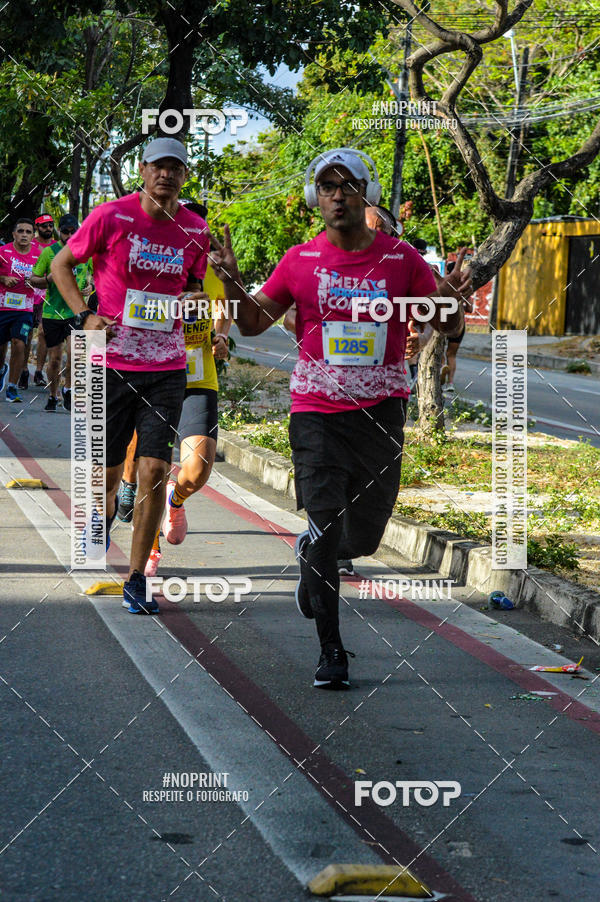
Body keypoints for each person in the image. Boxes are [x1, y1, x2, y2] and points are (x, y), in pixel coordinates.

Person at [210, 147, 471, 690]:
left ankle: (314, 554)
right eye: (326, 187)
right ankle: (331, 651)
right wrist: (232, 283)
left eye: (346, 186)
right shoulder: (300, 260)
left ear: (364, 195)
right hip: (316, 412)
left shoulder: (401, 259)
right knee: (326, 524)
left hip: (381, 413)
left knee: (365, 537)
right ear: (316, 197)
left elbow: (447, 326)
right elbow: (253, 324)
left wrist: (449, 305)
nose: (336, 196)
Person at [51, 137, 210, 614]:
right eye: (158, 166)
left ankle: (137, 578)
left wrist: (196, 300)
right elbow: (61, 264)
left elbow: (195, 285)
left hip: (167, 366)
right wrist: (84, 316)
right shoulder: (110, 216)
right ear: (142, 170)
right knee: (105, 469)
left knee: (155, 470)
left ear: (185, 175)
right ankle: (98, 519)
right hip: (111, 362)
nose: (166, 175)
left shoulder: (195, 229)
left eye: (175, 168)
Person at [30, 214, 91, 412]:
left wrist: (89, 286)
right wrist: (49, 279)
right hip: (52, 313)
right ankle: (53, 394)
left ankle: (68, 389)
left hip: (76, 312)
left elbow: (94, 276)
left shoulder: (85, 252)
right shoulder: (49, 252)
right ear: (59, 231)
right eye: (65, 232)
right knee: (55, 359)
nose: (70, 236)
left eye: (74, 231)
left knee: (75, 354)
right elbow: (33, 279)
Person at [0, 218, 39, 402]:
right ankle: (2, 369)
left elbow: (47, 279)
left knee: (19, 342)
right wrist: (3, 279)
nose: (24, 235)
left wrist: (35, 282)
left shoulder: (39, 256)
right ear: (14, 234)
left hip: (25, 308)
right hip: (2, 306)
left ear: (32, 236)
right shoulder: (3, 252)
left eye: (28, 232)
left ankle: (12, 387)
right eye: (21, 231)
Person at [28, 214, 56, 388]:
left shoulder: (57, 247)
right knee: (25, 334)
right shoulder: (28, 244)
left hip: (49, 296)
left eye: (51, 225)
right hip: (28, 294)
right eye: (44, 225)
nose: (48, 228)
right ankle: (23, 369)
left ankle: (38, 371)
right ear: (37, 227)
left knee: (43, 333)